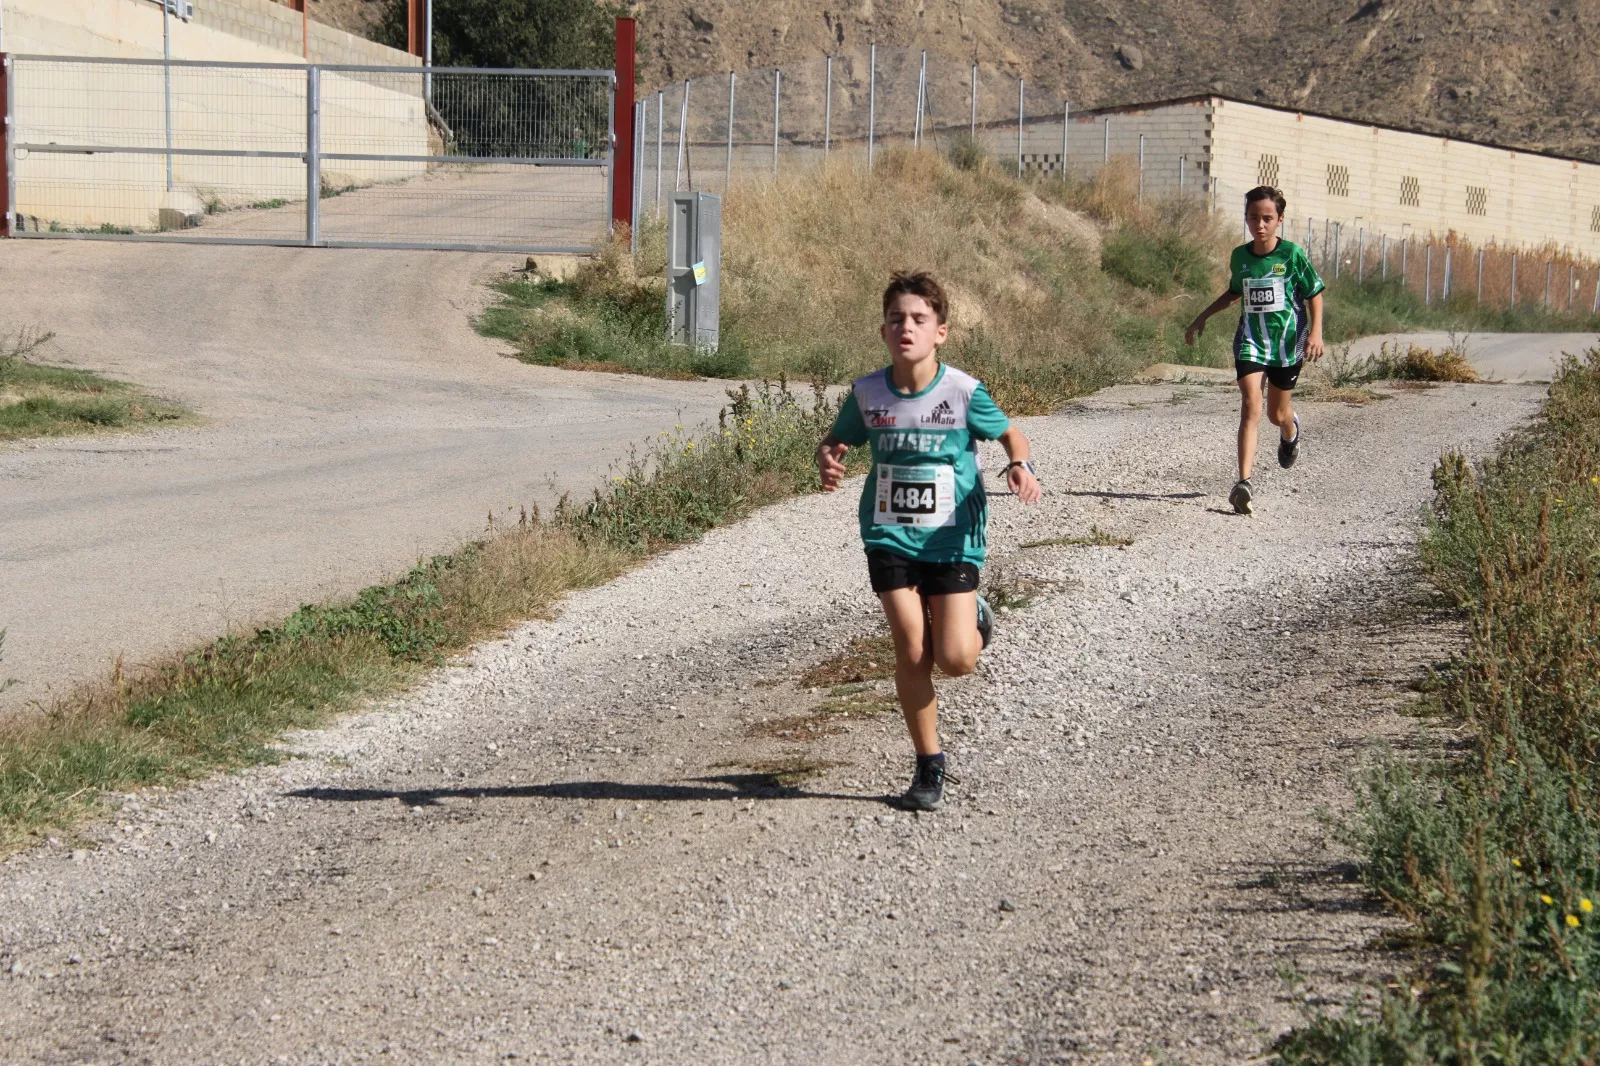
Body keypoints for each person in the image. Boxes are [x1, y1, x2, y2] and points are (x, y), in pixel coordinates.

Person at [816, 271, 1041, 812]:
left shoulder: (963, 392)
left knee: (957, 659)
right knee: (912, 649)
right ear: (883, 330)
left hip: (953, 537)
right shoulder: (868, 393)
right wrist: (827, 458)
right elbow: (838, 438)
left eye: (919, 319)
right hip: (888, 534)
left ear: (940, 331)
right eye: (897, 320)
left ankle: (974, 616)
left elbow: (1010, 432)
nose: (906, 328)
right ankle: (929, 762)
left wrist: (1019, 462)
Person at [1184, 185, 1325, 514]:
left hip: (1287, 344)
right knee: (1250, 406)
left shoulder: (1291, 254)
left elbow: (1314, 292)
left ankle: (1290, 430)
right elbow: (1234, 292)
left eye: (1266, 218)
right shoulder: (1240, 257)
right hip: (1251, 341)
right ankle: (1243, 483)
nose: (1259, 225)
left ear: (1279, 220)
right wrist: (1201, 317)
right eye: (1253, 218)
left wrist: (1316, 332)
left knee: (1276, 414)